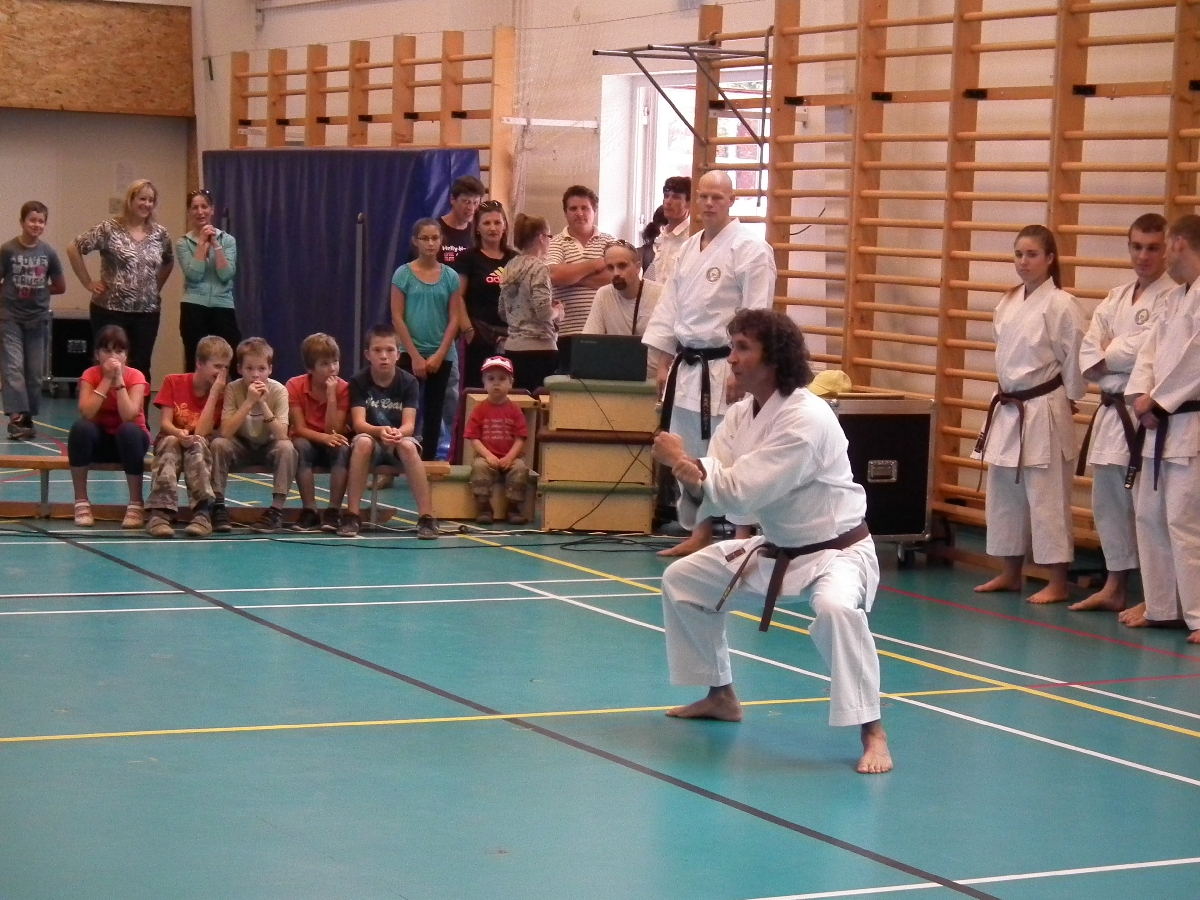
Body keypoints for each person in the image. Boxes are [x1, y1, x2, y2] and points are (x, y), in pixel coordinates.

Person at [652, 309, 892, 775]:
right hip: (777, 547)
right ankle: (720, 694)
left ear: (775, 359)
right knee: (684, 581)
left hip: (837, 552)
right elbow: (717, 485)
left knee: (836, 610)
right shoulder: (742, 414)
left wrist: (686, 462)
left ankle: (873, 731)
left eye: (743, 348)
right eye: (732, 346)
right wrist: (690, 470)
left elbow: (742, 489)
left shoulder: (806, 419)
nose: (732, 358)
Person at [642, 170, 776, 557]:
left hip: (725, 365)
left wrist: (742, 368)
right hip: (688, 367)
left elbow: (757, 314)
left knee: (735, 453)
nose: (709, 203)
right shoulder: (688, 248)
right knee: (687, 452)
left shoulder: (751, 248)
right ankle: (700, 530)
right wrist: (664, 360)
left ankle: (742, 533)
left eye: (717, 197)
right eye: (703, 196)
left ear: (732, 200)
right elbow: (669, 307)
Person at [973, 225, 1086, 604]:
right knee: (1005, 492)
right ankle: (1011, 572)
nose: (1024, 262)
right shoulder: (1008, 301)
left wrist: (1071, 395)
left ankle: (1057, 580)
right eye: (1019, 254)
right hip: (1009, 406)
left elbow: (1075, 356)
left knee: (1047, 496)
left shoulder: (1062, 304)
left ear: (1050, 259)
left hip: (1044, 408)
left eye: (1032, 254)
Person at [1071, 214, 1175, 613]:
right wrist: (1109, 354)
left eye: (1152, 248)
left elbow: (1148, 348)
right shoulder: (1115, 296)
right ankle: (1114, 586)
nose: (1143, 256)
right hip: (1111, 412)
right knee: (1108, 502)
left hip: (1145, 414)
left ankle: (1156, 596)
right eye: (1136, 247)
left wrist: (1108, 353)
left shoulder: (1173, 297)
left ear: (1167, 250)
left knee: (1147, 508)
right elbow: (1088, 346)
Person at [1123, 214, 1200, 644]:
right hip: (1158, 424)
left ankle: (1199, 614)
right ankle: (1162, 606)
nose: (1163, 255)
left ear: (1180, 244)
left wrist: (1158, 398)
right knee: (1149, 515)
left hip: (1189, 423)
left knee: (1186, 523)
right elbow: (1149, 354)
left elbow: (1196, 359)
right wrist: (1141, 395)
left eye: (1165, 245)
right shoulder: (1175, 298)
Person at [68, 179, 174, 384]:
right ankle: (103, 404)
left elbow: (168, 261)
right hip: (109, 311)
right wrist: (87, 282)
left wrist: (155, 287)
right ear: (130, 200)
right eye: (142, 199)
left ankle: (137, 406)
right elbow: (74, 247)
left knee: (141, 367)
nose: (147, 204)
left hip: (146, 313)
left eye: (151, 200)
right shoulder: (109, 229)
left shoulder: (160, 234)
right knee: (109, 366)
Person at [342, 324, 439, 539]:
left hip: (398, 439)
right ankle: (352, 515)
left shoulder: (409, 382)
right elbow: (359, 424)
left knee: (408, 446)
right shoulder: (358, 381)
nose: (383, 356)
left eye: (389, 350)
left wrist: (398, 434)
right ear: (367, 355)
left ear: (398, 354)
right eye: (377, 350)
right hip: (371, 439)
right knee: (362, 442)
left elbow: (409, 426)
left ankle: (426, 517)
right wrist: (379, 431)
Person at [391, 218, 467, 461]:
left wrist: (439, 354)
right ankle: (397, 464)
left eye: (435, 238)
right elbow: (397, 317)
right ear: (415, 241)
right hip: (409, 353)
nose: (430, 243)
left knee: (434, 413)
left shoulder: (450, 276)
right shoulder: (403, 274)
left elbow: (454, 318)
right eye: (425, 238)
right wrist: (414, 356)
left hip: (441, 355)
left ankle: (427, 465)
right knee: (405, 411)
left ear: (441, 241)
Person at [144, 335, 232, 538]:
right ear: (200, 363)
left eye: (226, 367)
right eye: (217, 366)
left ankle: (202, 514)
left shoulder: (222, 394)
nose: (221, 372)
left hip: (198, 443)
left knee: (198, 443)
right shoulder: (173, 381)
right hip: (171, 438)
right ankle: (159, 513)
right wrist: (178, 433)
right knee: (171, 442)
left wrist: (214, 393)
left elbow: (202, 432)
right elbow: (165, 423)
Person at [210, 337, 298, 534]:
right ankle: (218, 505)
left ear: (270, 370)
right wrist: (249, 401)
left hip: (268, 446)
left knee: (287, 448)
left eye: (261, 369)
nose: (255, 374)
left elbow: (282, 435)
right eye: (249, 368)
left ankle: (276, 510)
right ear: (240, 369)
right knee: (218, 444)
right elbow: (226, 431)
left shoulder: (279, 390)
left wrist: (263, 404)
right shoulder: (233, 388)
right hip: (241, 444)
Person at [67, 325, 152, 529]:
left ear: (126, 355)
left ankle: (135, 503)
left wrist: (119, 380)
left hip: (131, 443)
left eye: (119, 351)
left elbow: (129, 416)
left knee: (128, 430)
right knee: (80, 428)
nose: (113, 356)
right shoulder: (90, 375)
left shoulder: (136, 377)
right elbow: (86, 412)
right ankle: (81, 502)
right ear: (97, 354)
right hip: (100, 442)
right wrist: (106, 379)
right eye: (107, 350)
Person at [1, 200, 65, 440]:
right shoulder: (8, 250)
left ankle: (28, 416)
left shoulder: (48, 253)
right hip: (10, 318)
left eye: (41, 221)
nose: (36, 225)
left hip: (37, 320)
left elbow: (60, 285)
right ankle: (15, 418)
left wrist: (38, 290)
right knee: (13, 368)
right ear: (22, 222)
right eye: (32, 220)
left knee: (35, 374)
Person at [287, 333, 351, 533]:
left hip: (331, 439)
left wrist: (331, 397)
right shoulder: (294, 386)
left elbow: (334, 431)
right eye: (324, 364)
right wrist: (324, 438)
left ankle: (333, 511)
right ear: (310, 369)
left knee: (342, 448)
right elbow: (299, 428)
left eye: (335, 362)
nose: (332, 368)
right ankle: (310, 510)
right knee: (299, 446)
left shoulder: (343, 389)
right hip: (308, 439)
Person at [582, 240, 666, 379]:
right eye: (610, 267)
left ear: (638, 268)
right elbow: (588, 343)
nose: (616, 273)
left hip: (655, 378)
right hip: (618, 377)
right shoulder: (603, 295)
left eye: (622, 266)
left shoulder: (660, 294)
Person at [457, 200, 518, 389]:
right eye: (487, 223)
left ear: (505, 226)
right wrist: (468, 331)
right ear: (477, 228)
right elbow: (457, 297)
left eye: (497, 222)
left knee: (507, 389)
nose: (492, 228)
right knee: (476, 389)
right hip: (479, 336)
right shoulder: (468, 258)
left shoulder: (515, 259)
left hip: (510, 337)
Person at [177, 190, 240, 372]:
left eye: (204, 207)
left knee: (230, 358)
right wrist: (201, 244)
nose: (200, 212)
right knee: (195, 360)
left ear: (212, 210)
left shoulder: (228, 240)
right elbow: (194, 275)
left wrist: (216, 245)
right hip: (193, 306)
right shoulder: (183, 243)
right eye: (195, 207)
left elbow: (226, 274)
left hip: (223, 305)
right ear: (189, 212)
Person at [464, 356, 530, 525]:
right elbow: (473, 437)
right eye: (491, 379)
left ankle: (513, 508)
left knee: (520, 469)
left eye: (502, 379)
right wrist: (487, 455)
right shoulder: (479, 409)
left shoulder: (515, 410)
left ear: (511, 383)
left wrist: (510, 457)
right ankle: (484, 508)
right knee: (479, 468)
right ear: (484, 383)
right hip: (486, 457)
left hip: (511, 458)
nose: (496, 383)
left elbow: (520, 438)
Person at [499, 214, 559, 392]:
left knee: (519, 401)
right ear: (541, 237)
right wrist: (558, 311)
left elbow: (502, 311)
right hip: (540, 348)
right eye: (549, 236)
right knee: (540, 403)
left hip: (513, 347)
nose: (549, 241)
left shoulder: (509, 266)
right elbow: (543, 312)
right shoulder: (539, 268)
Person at [545, 185, 614, 335]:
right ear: (565, 213)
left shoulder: (610, 242)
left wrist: (569, 276)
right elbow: (552, 275)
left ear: (594, 211)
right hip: (565, 333)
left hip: (605, 333)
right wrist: (596, 264)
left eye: (585, 208)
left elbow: (615, 278)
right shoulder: (554, 242)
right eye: (573, 209)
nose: (579, 213)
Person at [645, 175, 692, 287]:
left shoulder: (692, 236)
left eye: (676, 197)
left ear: (689, 203)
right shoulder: (662, 236)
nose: (668, 202)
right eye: (666, 196)